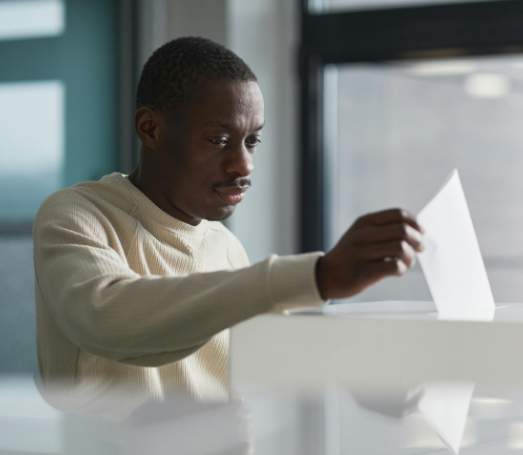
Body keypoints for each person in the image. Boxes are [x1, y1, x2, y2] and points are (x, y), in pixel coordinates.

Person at [34, 37, 424, 403]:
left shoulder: (225, 247)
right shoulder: (77, 214)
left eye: (252, 140)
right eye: (219, 140)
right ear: (150, 128)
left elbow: (268, 369)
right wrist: (317, 275)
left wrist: (362, 381)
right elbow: (107, 318)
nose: (244, 164)